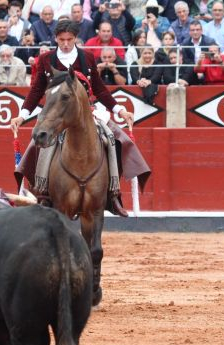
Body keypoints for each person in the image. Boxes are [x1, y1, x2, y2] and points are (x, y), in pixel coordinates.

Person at [10, 19, 151, 217]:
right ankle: (43, 192)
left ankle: (113, 193)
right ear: (55, 39)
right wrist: (22, 115)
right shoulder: (46, 60)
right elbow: (36, 90)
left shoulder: (87, 57)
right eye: (61, 40)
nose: (66, 44)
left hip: (86, 114)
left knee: (114, 139)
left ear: (76, 38)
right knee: (38, 143)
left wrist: (120, 110)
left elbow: (100, 89)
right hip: (57, 114)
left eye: (69, 39)